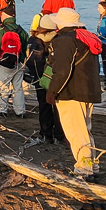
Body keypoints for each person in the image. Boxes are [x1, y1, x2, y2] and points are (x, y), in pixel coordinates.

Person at [47, 8, 103, 178]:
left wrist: (52, 91)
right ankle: (92, 166)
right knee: (85, 130)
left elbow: (62, 70)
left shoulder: (64, 40)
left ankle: (83, 170)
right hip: (88, 89)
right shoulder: (85, 37)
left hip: (71, 92)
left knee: (75, 132)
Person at [26, 15, 65, 144]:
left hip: (40, 78)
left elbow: (30, 61)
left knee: (44, 106)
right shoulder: (58, 40)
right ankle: (60, 135)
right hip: (55, 77)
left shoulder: (33, 40)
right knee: (58, 107)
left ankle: (46, 134)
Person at [0, 11, 30, 117]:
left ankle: (2, 109)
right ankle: (20, 111)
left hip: (4, 62)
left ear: (5, 16)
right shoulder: (22, 31)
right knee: (18, 87)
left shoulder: (0, 31)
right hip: (18, 62)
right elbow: (26, 45)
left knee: (3, 86)